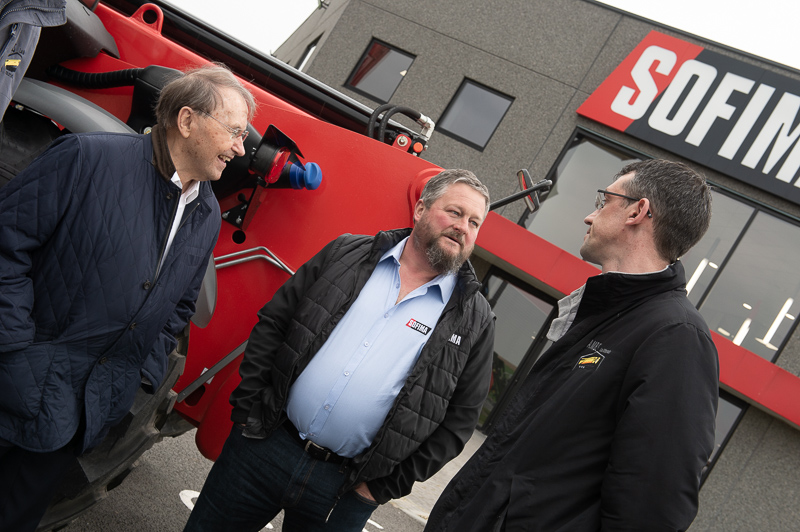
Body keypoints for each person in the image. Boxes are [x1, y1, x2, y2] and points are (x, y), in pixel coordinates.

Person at [0, 63, 255, 531]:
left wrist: (132, 382)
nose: (241, 148)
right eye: (235, 132)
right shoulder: (85, 157)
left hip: (75, 416)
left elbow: (178, 308)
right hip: (11, 382)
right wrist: (14, 350)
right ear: (186, 121)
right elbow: (6, 247)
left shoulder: (205, 215)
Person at [185, 169, 496, 532]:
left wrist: (379, 487)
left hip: (344, 491)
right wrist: (250, 411)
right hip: (264, 447)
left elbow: (459, 423)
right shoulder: (346, 253)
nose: (463, 227)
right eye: (455, 212)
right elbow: (275, 322)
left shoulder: (475, 320)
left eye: (474, 222)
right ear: (420, 209)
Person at [425, 159, 719, 532]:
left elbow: (651, 508)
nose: (588, 216)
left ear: (638, 211)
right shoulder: (604, 313)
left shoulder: (675, 337)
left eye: (604, 200)